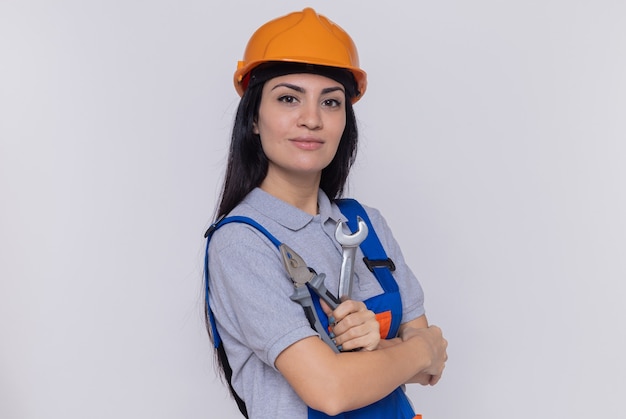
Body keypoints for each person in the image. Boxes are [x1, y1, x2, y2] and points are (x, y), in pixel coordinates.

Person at [204, 7, 448, 419]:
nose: (312, 119)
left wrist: (384, 345)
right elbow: (329, 390)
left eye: (331, 102)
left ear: (344, 122)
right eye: (288, 98)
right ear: (254, 121)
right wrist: (415, 349)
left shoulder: (365, 226)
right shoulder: (241, 243)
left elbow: (433, 367)